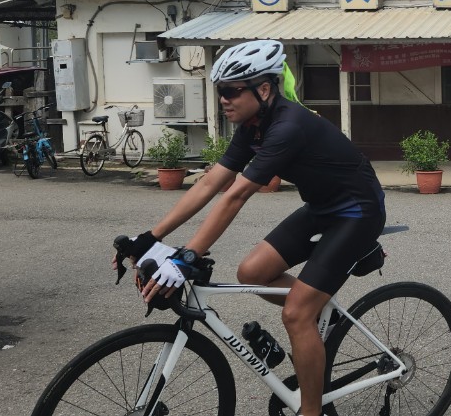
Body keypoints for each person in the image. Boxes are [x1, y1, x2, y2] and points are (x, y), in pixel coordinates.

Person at [118, 39, 386, 416]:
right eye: (220, 92)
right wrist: (151, 237)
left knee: (295, 314)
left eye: (231, 91)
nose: (223, 100)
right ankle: (320, 310)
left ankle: (311, 410)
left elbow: (236, 195)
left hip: (359, 212)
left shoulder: (288, 125)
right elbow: (212, 183)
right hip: (324, 208)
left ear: (263, 89)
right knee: (252, 272)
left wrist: (190, 255)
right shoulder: (252, 126)